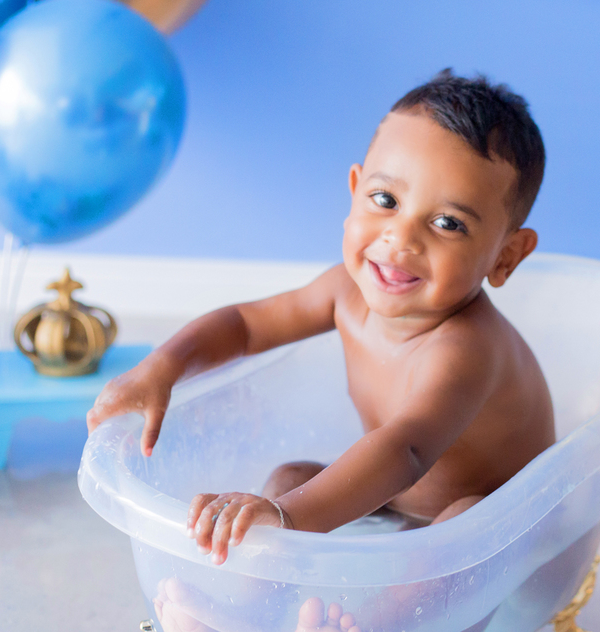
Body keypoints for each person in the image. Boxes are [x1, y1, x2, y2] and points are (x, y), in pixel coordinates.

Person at [86, 70, 555, 572]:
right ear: (355, 191)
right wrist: (164, 367)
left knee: (456, 526)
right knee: (290, 479)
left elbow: (408, 450)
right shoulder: (343, 292)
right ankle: (251, 604)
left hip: (495, 525)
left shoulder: (468, 349)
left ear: (505, 257)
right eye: (386, 200)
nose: (401, 238)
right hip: (399, 498)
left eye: (448, 224)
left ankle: (378, 622)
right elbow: (246, 326)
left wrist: (288, 518)